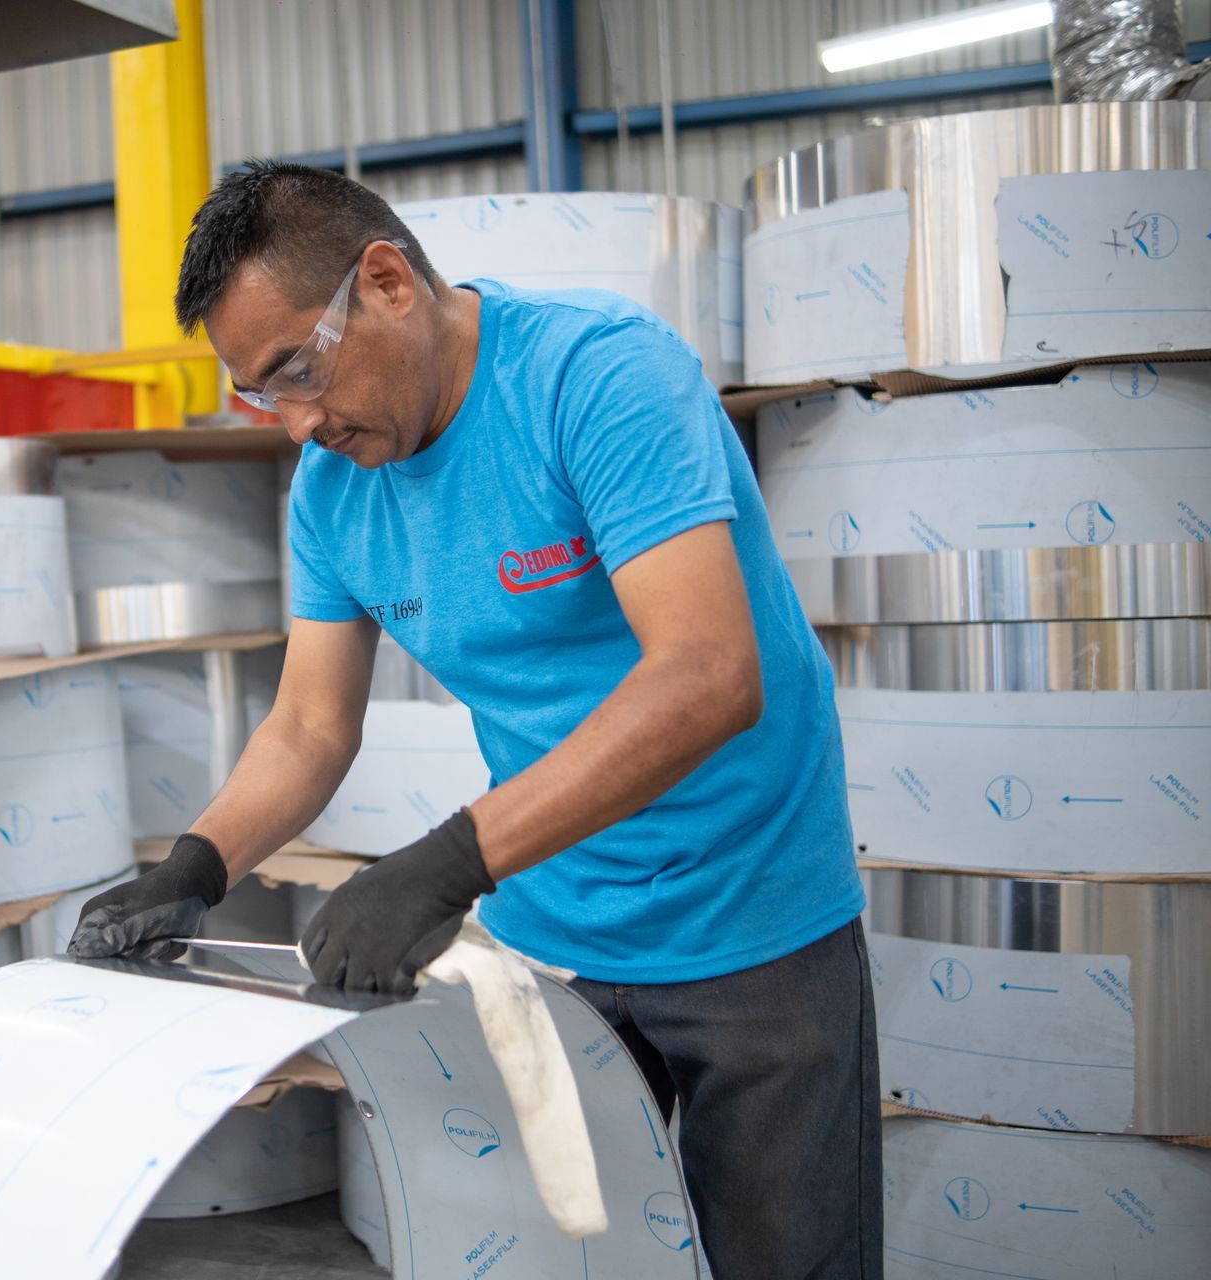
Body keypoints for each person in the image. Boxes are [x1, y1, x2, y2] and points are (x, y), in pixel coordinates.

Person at [69, 161, 880, 1280]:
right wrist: (194, 867)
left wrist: (448, 864)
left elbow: (706, 673)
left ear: (389, 282)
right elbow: (309, 724)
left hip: (753, 920)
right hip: (555, 938)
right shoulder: (336, 491)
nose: (300, 423)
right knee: (589, 1261)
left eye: (299, 369)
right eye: (264, 394)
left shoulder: (596, 376)